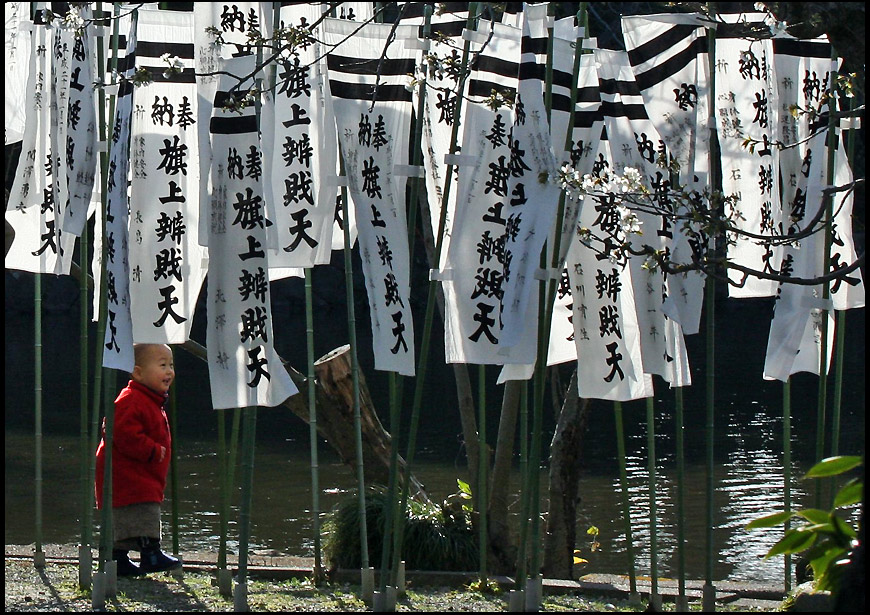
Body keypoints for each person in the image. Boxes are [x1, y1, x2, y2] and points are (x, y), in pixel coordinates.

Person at [95, 343, 181, 576]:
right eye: (162, 365)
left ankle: (118, 559)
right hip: (128, 476)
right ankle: (149, 554)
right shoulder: (131, 398)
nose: (169, 371)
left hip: (140, 475)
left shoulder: (150, 398)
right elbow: (121, 432)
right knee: (141, 515)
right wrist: (152, 450)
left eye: (171, 365)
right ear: (138, 372)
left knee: (128, 517)